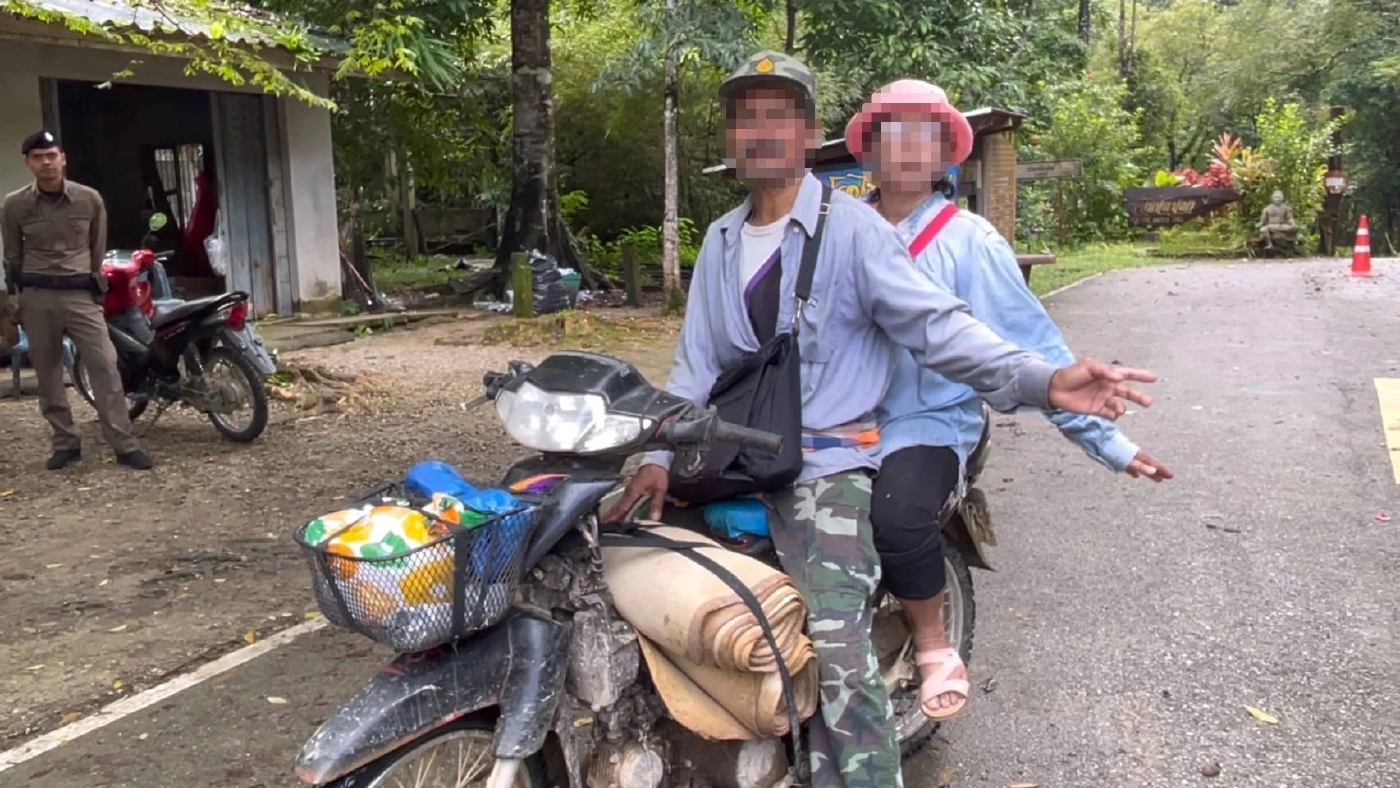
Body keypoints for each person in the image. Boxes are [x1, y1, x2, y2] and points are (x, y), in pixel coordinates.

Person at [602, 51, 1157, 788]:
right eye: (747, 118)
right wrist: (659, 458)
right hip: (733, 452)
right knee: (604, 544)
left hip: (829, 465)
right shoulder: (721, 240)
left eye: (779, 116)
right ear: (732, 138)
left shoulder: (857, 234)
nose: (761, 132)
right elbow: (696, 366)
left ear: (810, 133)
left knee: (840, 646)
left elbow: (943, 330)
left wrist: (1047, 380)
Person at [843, 79, 1175, 724]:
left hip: (926, 422)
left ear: (945, 156)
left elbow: (1036, 351)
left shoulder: (970, 241)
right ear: (870, 151)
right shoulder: (837, 232)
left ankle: (934, 643)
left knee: (898, 517)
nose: (906, 149)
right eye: (891, 134)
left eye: (923, 136)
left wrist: (1110, 444)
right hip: (838, 420)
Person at [1, 131, 153, 471]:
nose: (46, 162)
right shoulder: (14, 205)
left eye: (52, 155)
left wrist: (89, 285)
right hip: (37, 296)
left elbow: (96, 249)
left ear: (63, 158)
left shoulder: (89, 200)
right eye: (38, 157)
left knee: (104, 365)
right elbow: (12, 256)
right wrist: (17, 301)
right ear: (28, 163)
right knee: (48, 371)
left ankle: (124, 444)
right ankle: (65, 442)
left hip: (80, 294)